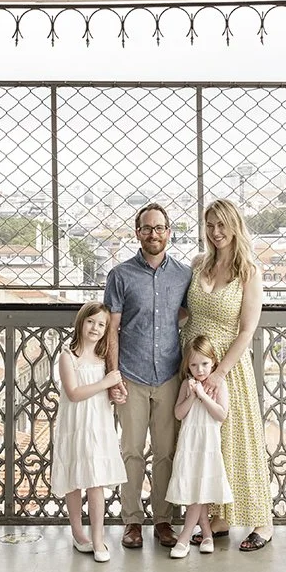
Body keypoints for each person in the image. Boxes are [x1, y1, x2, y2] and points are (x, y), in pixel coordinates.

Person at [184, 198, 274, 552]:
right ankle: (218, 519)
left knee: (238, 442)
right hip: (194, 361)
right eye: (210, 225)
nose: (216, 232)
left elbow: (247, 330)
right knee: (208, 444)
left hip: (227, 368)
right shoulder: (197, 264)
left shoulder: (248, 271)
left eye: (222, 225)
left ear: (235, 226)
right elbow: (183, 312)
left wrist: (220, 373)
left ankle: (262, 521)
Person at [104, 202, 191, 549]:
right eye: (146, 228)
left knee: (167, 451)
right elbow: (112, 329)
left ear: (169, 232)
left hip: (170, 374)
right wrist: (113, 375)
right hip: (131, 374)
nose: (153, 234)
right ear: (137, 233)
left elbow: (186, 314)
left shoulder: (184, 274)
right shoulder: (120, 275)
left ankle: (164, 519)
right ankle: (131, 521)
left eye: (159, 228)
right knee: (132, 451)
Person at [49, 301, 126, 563]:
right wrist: (105, 382)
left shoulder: (105, 359)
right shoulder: (67, 357)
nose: (95, 328)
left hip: (98, 426)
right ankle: (77, 532)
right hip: (75, 425)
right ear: (81, 322)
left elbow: (108, 393)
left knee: (96, 481)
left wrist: (115, 392)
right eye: (91, 321)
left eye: (102, 324)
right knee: (74, 479)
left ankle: (97, 537)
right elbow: (73, 393)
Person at [165, 335, 232, 559]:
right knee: (196, 490)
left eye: (204, 363)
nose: (199, 369)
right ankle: (206, 534)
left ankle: (184, 537)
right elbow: (178, 413)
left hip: (207, 446)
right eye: (194, 365)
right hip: (189, 445)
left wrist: (203, 395)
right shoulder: (187, 384)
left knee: (199, 491)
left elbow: (221, 415)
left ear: (213, 361)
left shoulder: (219, 385)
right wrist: (192, 396)